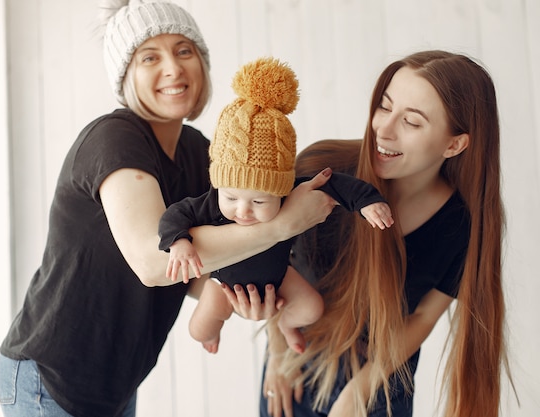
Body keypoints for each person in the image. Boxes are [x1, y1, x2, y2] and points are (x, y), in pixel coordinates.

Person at [0, 1, 337, 416]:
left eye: (184, 50)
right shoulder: (114, 138)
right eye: (149, 57)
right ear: (126, 76)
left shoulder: (200, 153)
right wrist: (283, 225)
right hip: (50, 376)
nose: (173, 68)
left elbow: (199, 269)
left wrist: (238, 293)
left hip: (116, 381)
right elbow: (154, 263)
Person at [239, 50, 513, 417]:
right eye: (384, 107)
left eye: (411, 122)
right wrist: (276, 355)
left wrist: (359, 392)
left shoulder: (462, 225)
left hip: (383, 381)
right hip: (297, 365)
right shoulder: (320, 173)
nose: (383, 129)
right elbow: (272, 261)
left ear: (454, 144)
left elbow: (423, 317)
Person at [158, 57, 394, 355]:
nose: (243, 210)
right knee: (198, 329)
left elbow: (334, 183)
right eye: (231, 198)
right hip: (223, 285)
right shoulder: (211, 203)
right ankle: (213, 331)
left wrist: (367, 202)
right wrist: (178, 242)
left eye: (258, 201)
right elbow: (175, 214)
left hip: (280, 276)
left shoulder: (293, 193)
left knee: (312, 308)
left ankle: (286, 324)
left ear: (282, 190)